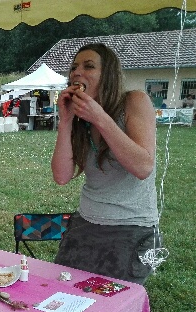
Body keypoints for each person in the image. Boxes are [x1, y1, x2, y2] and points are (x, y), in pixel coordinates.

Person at [51, 43, 160, 285]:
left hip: (131, 228)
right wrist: (66, 121)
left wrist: (99, 117)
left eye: (89, 66)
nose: (77, 73)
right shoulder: (80, 119)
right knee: (61, 293)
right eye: (74, 67)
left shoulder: (134, 101)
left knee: (110, 303)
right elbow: (61, 176)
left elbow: (143, 167)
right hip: (85, 223)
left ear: (108, 75)